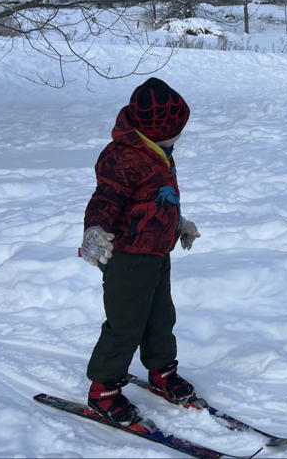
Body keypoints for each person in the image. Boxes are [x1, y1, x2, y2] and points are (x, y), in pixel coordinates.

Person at [78, 77, 202, 425]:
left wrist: (178, 223)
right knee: (126, 324)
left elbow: (152, 203)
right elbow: (104, 200)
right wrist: (94, 230)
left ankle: (161, 371)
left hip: (156, 255)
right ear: (159, 129)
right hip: (127, 258)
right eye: (178, 128)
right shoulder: (122, 158)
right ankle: (103, 390)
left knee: (161, 318)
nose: (181, 134)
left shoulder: (159, 151)